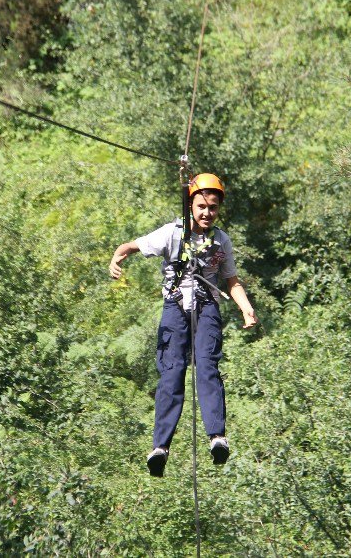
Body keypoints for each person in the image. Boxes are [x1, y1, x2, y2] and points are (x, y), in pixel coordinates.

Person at [108, 173, 258, 477]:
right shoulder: (172, 234)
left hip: (206, 308)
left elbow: (231, 281)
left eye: (213, 208)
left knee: (207, 367)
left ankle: (217, 436)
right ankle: (160, 447)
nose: (207, 213)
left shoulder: (221, 241)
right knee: (172, 371)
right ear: (191, 204)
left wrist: (246, 308)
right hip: (175, 307)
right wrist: (116, 259)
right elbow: (131, 246)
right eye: (201, 206)